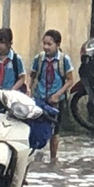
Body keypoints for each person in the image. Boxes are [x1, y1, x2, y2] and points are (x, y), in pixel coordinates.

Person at [31, 30, 73, 162]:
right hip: (40, 98)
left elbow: (70, 80)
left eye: (49, 44)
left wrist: (57, 94)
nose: (46, 47)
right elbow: (32, 76)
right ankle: (34, 156)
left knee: (55, 131)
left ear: (57, 44)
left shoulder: (63, 60)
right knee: (36, 127)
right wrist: (29, 90)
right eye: (44, 44)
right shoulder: (39, 59)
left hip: (56, 101)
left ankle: (53, 159)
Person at [0, 28, 27, 98]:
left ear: (10, 43)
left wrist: (12, 91)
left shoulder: (16, 59)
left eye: (2, 43)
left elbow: (22, 78)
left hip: (10, 96)